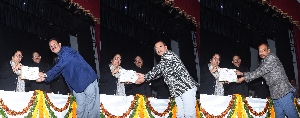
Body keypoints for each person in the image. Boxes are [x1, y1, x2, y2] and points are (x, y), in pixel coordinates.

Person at [36, 38, 100, 117]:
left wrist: (46, 75)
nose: (52, 47)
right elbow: (57, 72)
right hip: (77, 86)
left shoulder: (66, 50)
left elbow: (59, 67)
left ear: (60, 44)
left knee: (92, 108)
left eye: (54, 44)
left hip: (87, 79)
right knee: (80, 109)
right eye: (51, 46)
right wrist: (44, 78)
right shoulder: (59, 59)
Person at [135, 41, 199, 118]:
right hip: (177, 91)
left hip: (186, 87)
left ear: (166, 47)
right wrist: (144, 76)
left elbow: (158, 68)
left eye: (160, 46)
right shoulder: (164, 61)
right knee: (180, 114)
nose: (158, 49)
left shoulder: (169, 55)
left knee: (189, 114)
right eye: (156, 48)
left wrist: (144, 78)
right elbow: (158, 73)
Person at [236, 43, 298, 117]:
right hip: (275, 95)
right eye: (259, 51)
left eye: (263, 50)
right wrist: (242, 74)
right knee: (279, 116)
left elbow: (260, 71)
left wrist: (243, 76)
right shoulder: (263, 62)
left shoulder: (271, 57)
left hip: (283, 92)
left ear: (268, 51)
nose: (261, 53)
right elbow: (259, 71)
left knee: (292, 115)